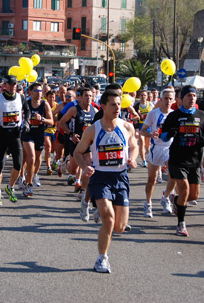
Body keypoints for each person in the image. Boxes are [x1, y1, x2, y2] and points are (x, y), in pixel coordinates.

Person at [74, 89, 138, 274]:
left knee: (119, 227)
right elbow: (78, 152)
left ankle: (102, 212)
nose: (117, 107)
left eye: (119, 104)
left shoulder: (127, 127)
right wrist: (85, 168)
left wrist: (132, 159)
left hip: (120, 177)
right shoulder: (93, 129)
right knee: (109, 221)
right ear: (103, 106)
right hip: (100, 177)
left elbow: (134, 147)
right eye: (113, 104)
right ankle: (102, 259)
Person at [160, 85, 204, 236]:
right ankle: (181, 224)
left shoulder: (201, 115)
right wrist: (170, 133)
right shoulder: (174, 116)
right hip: (177, 158)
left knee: (194, 196)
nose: (191, 98)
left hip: (194, 160)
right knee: (185, 189)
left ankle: (176, 200)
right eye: (188, 96)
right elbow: (163, 136)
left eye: (194, 96)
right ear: (182, 98)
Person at [0, 75, 30, 206]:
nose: (13, 86)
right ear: (5, 85)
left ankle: (10, 187)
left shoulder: (21, 97)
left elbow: (27, 110)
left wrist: (26, 122)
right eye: (10, 84)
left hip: (15, 134)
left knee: (18, 164)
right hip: (2, 134)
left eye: (15, 84)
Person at [139, 87, 175, 218]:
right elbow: (142, 131)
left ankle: (165, 197)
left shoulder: (174, 114)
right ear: (161, 99)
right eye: (166, 98)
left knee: (174, 176)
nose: (168, 101)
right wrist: (150, 133)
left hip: (170, 148)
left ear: (174, 100)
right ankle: (148, 204)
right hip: (156, 149)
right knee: (152, 180)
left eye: (170, 99)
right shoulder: (153, 114)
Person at [59, 87, 97, 199]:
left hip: (87, 143)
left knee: (88, 166)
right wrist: (71, 134)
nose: (89, 98)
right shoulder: (74, 110)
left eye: (90, 96)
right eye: (86, 95)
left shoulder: (94, 111)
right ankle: (65, 163)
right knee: (73, 170)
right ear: (80, 97)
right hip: (75, 142)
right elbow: (62, 122)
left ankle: (83, 190)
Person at [21, 82, 53, 197]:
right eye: (36, 91)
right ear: (30, 92)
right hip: (27, 134)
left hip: (39, 134)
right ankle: (29, 184)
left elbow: (51, 121)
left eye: (40, 91)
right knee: (31, 158)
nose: (39, 93)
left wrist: (42, 119)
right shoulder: (26, 103)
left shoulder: (45, 105)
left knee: (36, 158)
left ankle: (31, 177)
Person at [134, 90, 154, 168]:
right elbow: (134, 117)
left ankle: (149, 158)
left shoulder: (150, 105)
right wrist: (137, 116)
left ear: (147, 96)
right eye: (142, 95)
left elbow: (153, 116)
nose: (143, 97)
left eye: (145, 95)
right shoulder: (136, 106)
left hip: (148, 126)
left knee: (147, 145)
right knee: (141, 142)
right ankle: (143, 161)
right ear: (139, 96)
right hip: (140, 126)